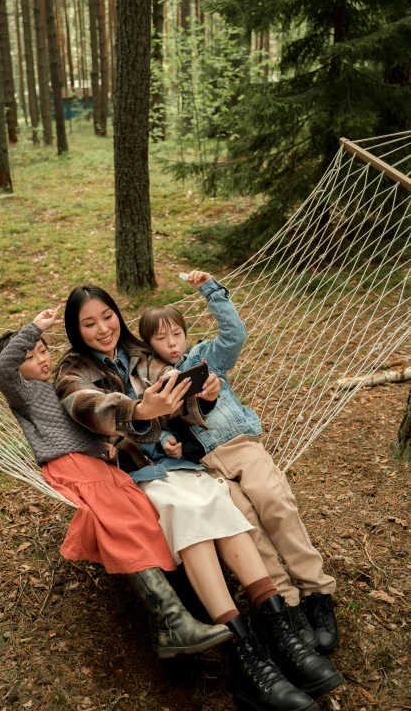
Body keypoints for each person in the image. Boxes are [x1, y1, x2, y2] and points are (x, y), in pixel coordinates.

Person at [54, 285, 344, 711]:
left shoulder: (139, 354)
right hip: (133, 473)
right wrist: (139, 409)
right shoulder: (73, 368)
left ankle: (283, 634)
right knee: (188, 512)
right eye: (88, 323)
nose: (102, 329)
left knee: (218, 500)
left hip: (179, 464)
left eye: (107, 316)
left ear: (118, 315)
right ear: (76, 331)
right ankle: (247, 662)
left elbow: (178, 395)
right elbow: (87, 405)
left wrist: (199, 398)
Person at [0, 307, 234, 660]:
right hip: (71, 467)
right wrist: (35, 328)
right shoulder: (21, 389)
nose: (41, 359)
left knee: (141, 511)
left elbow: (75, 427)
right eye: (29, 357)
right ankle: (171, 621)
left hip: (95, 463)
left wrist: (101, 444)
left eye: (44, 350)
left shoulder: (50, 390)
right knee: (119, 522)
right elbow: (2, 369)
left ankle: (181, 607)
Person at [138, 270, 340, 656]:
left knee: (274, 502)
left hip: (240, 445)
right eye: (160, 338)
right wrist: (169, 441)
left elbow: (235, 336)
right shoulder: (156, 382)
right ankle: (288, 604)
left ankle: (316, 590)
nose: (171, 343)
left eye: (175, 333)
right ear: (149, 344)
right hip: (207, 468)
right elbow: (157, 428)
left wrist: (210, 291)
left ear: (184, 332)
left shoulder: (203, 357)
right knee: (245, 523)